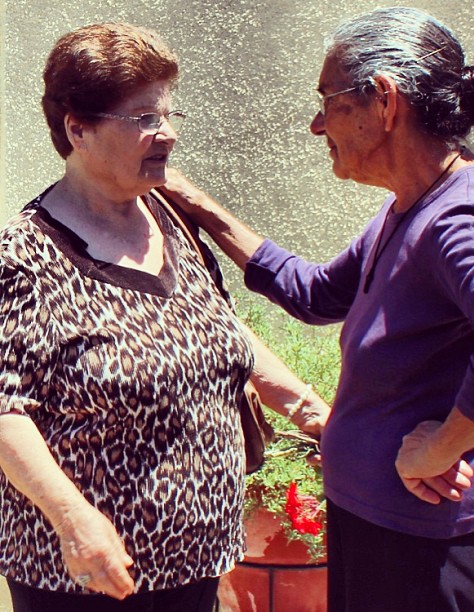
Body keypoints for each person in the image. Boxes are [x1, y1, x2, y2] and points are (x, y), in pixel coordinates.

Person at [164, 6, 474, 611]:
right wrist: (190, 199)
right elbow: (316, 293)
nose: (317, 125)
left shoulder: (458, 217)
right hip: (380, 524)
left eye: (328, 101)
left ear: (383, 100)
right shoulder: (414, 205)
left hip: (417, 546)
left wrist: (443, 447)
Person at [0, 22, 329, 612]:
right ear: (78, 128)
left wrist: (312, 413)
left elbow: (218, 328)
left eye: (170, 117)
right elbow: (3, 407)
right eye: (145, 119)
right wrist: (73, 519)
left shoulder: (170, 221)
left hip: (198, 559)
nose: (168, 135)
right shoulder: (24, 257)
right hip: (89, 572)